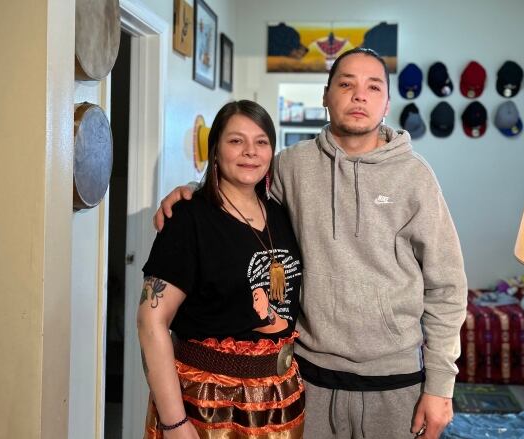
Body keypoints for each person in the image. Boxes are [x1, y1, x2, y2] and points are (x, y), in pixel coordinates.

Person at [155, 48, 467, 439]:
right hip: (307, 380)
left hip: (396, 382)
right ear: (326, 95)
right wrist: (193, 190)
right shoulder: (290, 165)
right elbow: (240, 189)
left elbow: (447, 288)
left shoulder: (416, 177)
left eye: (373, 87)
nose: (359, 95)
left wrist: (441, 385)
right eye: (346, 84)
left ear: (387, 101)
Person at [138, 100, 305, 438]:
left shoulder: (280, 213)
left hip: (280, 402)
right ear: (215, 150)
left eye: (261, 142)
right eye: (235, 141)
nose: (250, 152)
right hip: (209, 404)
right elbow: (150, 320)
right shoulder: (188, 218)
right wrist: (174, 422)